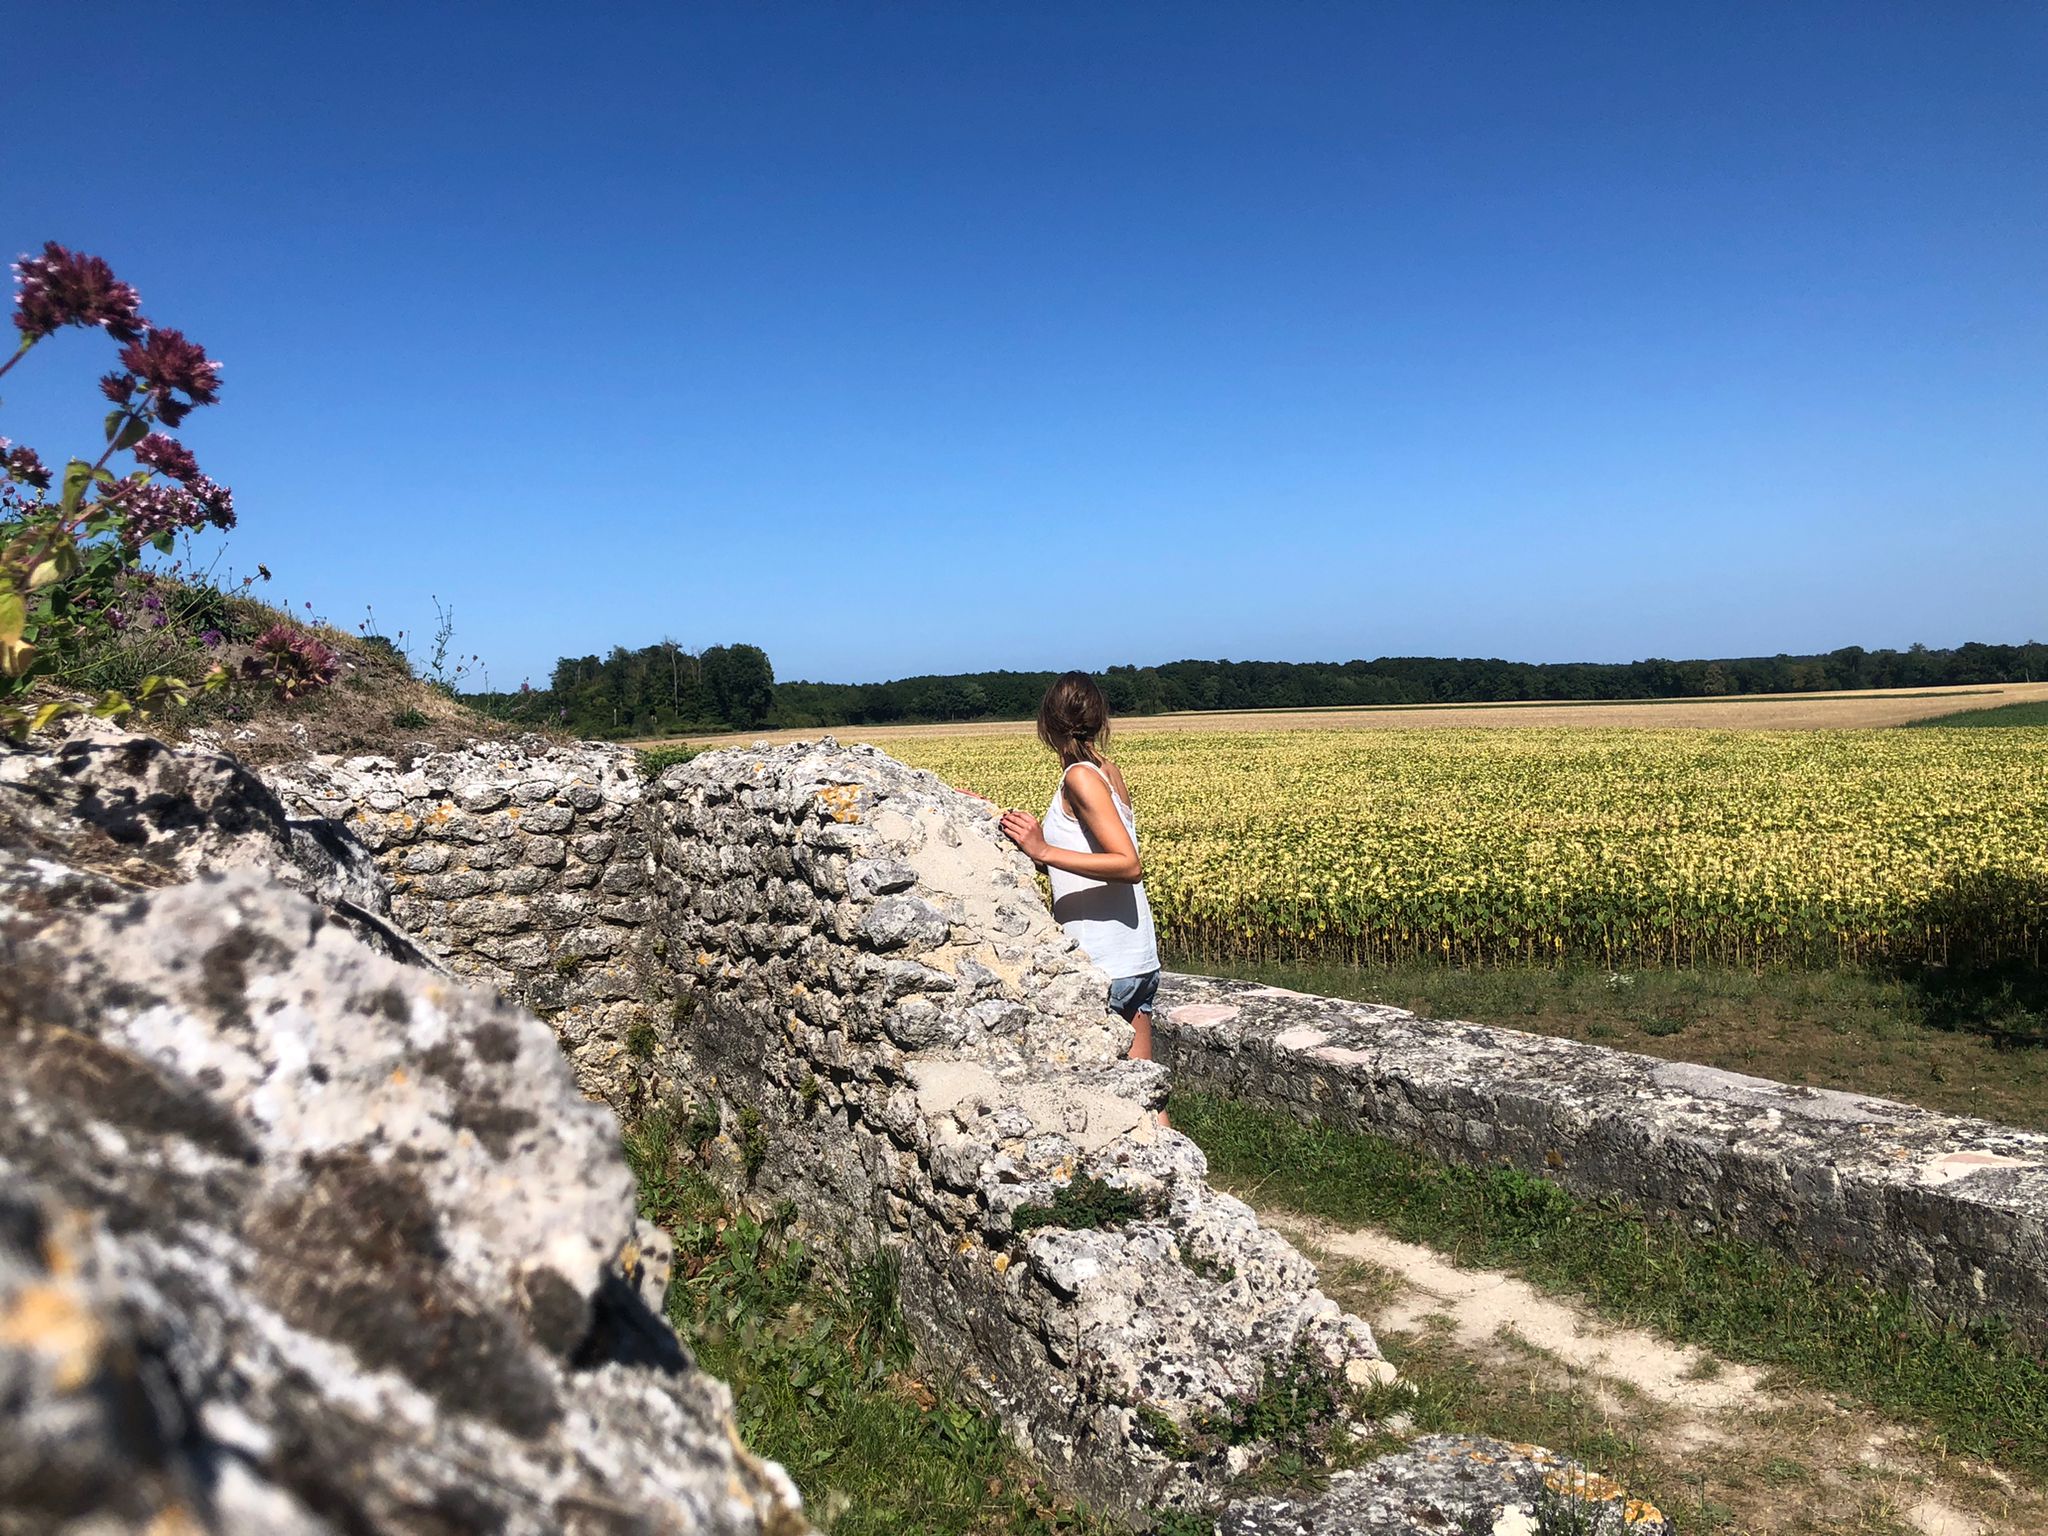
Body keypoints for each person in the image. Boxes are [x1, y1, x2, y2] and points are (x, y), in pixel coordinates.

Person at [998, 671, 1162, 1060]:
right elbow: (1088, 858)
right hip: (1136, 960)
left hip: (1102, 963)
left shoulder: (1079, 778)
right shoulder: (1108, 771)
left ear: (1046, 723)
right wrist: (1031, 847)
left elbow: (1128, 865)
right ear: (1100, 719)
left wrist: (1043, 851)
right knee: (1143, 1087)